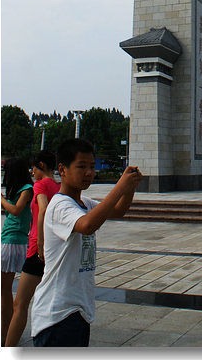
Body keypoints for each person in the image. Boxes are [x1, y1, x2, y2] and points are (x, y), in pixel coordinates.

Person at [30, 138, 143, 347]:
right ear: (62, 170)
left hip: (78, 310)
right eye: (81, 167)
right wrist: (120, 187)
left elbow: (118, 210)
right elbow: (88, 225)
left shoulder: (84, 203)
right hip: (57, 313)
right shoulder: (60, 205)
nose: (89, 172)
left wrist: (130, 187)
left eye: (92, 166)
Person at [4, 150, 60, 346]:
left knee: (20, 304)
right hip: (54, 248)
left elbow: (42, 210)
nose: (32, 172)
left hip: (37, 248)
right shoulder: (58, 187)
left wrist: (40, 243)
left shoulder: (40, 185)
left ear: (41, 166)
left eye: (34, 168)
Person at [1, 157, 34, 345]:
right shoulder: (22, 189)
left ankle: (5, 331)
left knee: (3, 290)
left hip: (12, 241)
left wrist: (1, 200)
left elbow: (16, 210)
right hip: (12, 239)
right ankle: (5, 329)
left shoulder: (26, 190)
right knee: (4, 290)